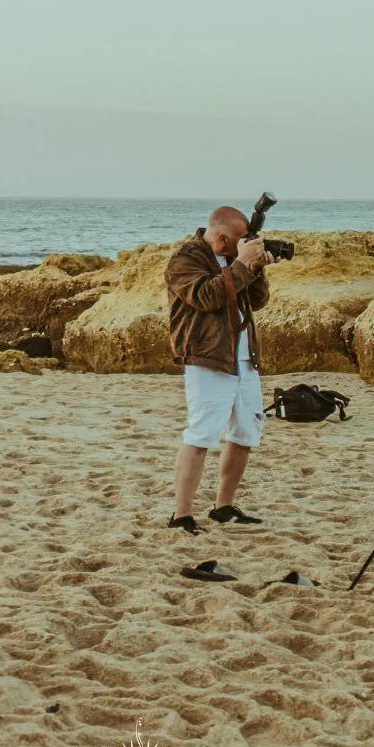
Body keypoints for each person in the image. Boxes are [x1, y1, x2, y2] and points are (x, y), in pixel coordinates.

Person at [164, 206, 276, 534]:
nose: (247, 245)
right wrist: (242, 264)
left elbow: (257, 301)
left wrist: (255, 267)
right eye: (242, 241)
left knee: (245, 433)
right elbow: (206, 296)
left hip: (243, 357)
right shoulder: (186, 259)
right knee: (200, 435)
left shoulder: (236, 257)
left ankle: (223, 508)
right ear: (223, 238)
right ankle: (181, 515)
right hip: (207, 356)